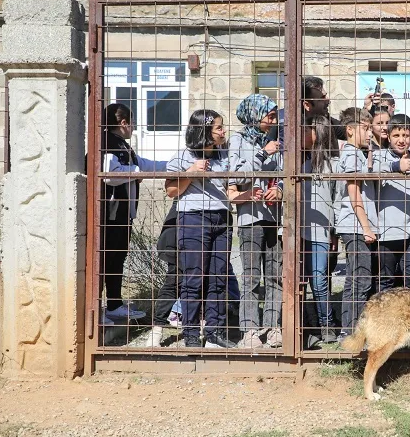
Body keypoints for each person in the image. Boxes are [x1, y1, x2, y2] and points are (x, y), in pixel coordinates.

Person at [165, 109, 236, 348]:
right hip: (194, 219)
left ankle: (215, 330)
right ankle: (191, 332)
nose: (223, 131)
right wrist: (191, 172)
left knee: (218, 277)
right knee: (194, 278)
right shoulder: (182, 158)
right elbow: (171, 191)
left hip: (222, 219)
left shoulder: (225, 155)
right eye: (218, 128)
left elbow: (231, 188)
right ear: (204, 131)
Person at [100, 103, 169, 325]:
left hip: (121, 214)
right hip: (108, 214)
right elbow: (109, 174)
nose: (134, 129)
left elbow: (142, 164)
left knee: (117, 257)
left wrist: (173, 166)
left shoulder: (122, 145)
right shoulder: (107, 143)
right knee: (105, 258)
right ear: (123, 123)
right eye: (133, 124)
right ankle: (98, 308)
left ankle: (114, 304)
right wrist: (138, 173)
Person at [227, 94, 284, 349]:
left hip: (274, 217)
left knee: (274, 276)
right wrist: (262, 153)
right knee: (250, 277)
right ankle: (249, 330)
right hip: (250, 217)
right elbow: (237, 175)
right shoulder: (239, 140)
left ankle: (273, 327)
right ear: (253, 115)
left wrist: (279, 189)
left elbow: (283, 172)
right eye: (268, 115)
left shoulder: (275, 139)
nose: (272, 120)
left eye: (273, 116)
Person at [335, 107, 378, 344]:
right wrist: (366, 226)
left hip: (355, 224)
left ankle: (348, 330)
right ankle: (352, 332)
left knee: (355, 278)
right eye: (365, 128)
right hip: (355, 225)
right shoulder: (351, 155)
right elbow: (354, 195)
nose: (369, 132)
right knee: (360, 279)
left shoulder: (358, 153)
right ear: (350, 130)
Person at [300, 116, 341, 344]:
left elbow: (336, 199)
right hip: (298, 232)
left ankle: (328, 326)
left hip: (321, 231)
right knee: (300, 282)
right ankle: (309, 326)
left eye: (307, 130)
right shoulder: (297, 161)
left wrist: (334, 232)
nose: (303, 134)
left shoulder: (331, 165)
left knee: (319, 280)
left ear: (319, 134)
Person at [374, 114, 410, 290]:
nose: (401, 140)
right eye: (396, 135)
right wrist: (396, 167)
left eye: (405, 135)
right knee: (385, 281)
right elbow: (371, 171)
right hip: (386, 233)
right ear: (388, 136)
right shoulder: (380, 156)